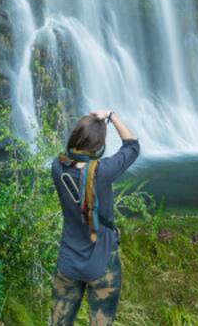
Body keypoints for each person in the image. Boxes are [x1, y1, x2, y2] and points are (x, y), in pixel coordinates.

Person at [50, 109, 140, 326]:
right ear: (99, 146)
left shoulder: (57, 166)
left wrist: (88, 125)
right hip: (102, 265)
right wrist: (110, 115)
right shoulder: (104, 171)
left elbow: (72, 157)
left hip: (68, 263)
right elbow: (132, 145)